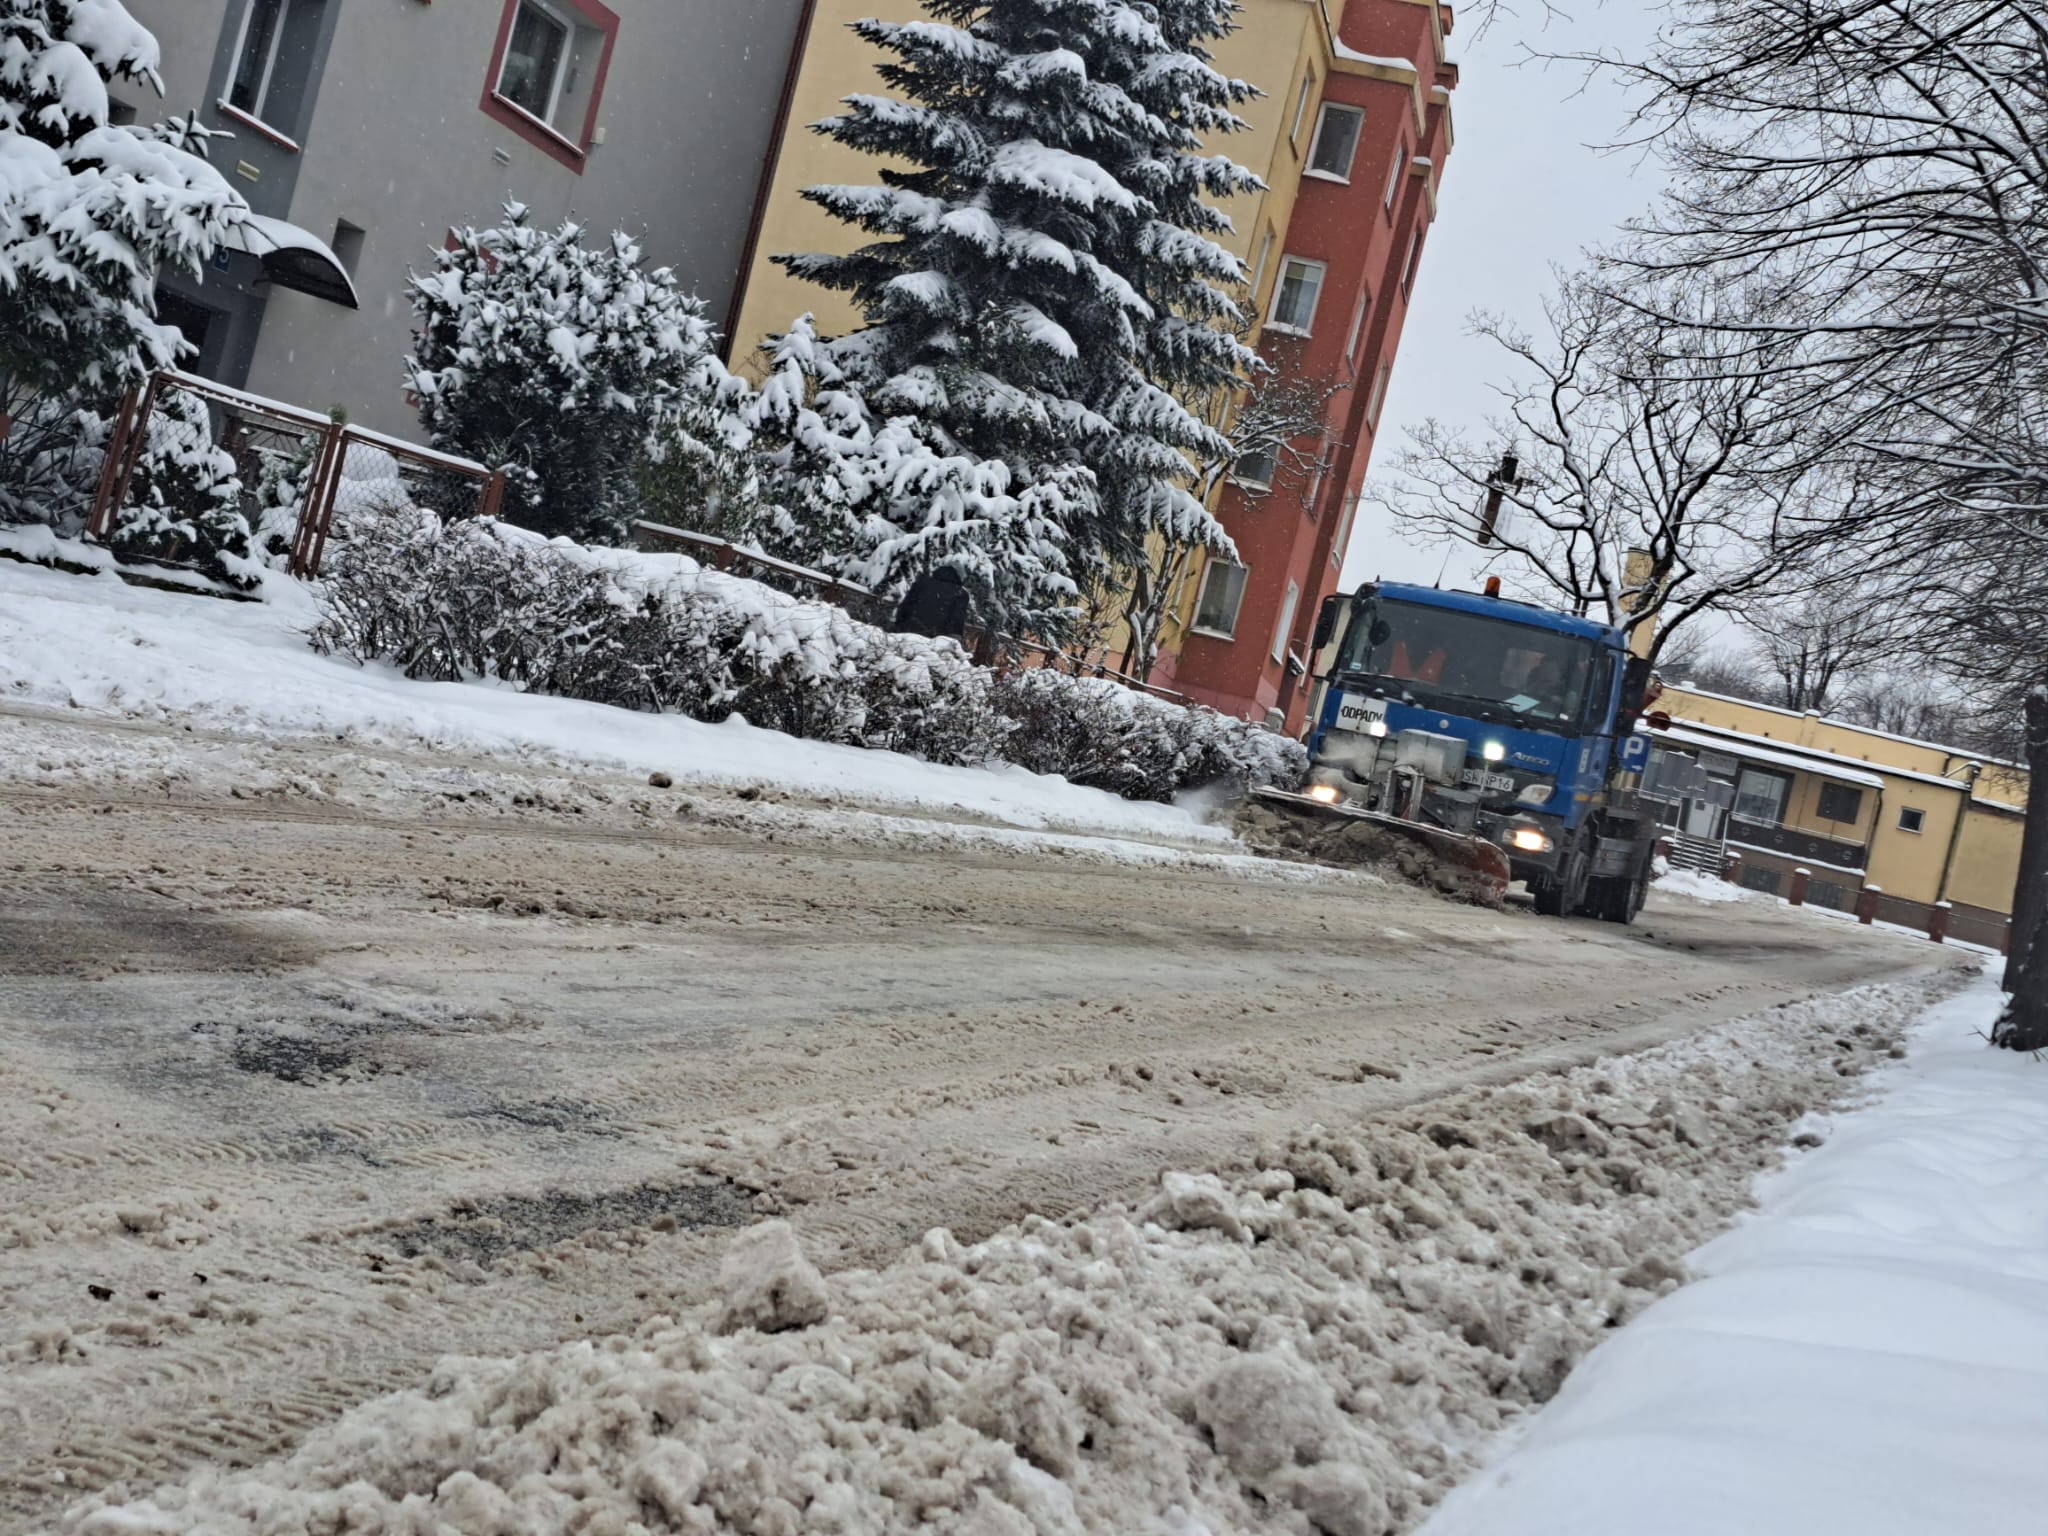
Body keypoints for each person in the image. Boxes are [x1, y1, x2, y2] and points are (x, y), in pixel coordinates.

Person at [891, 567, 970, 641]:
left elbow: (905, 607)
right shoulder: (960, 593)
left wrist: (898, 626)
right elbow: (956, 620)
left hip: (908, 632)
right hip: (934, 639)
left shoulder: (921, 583)